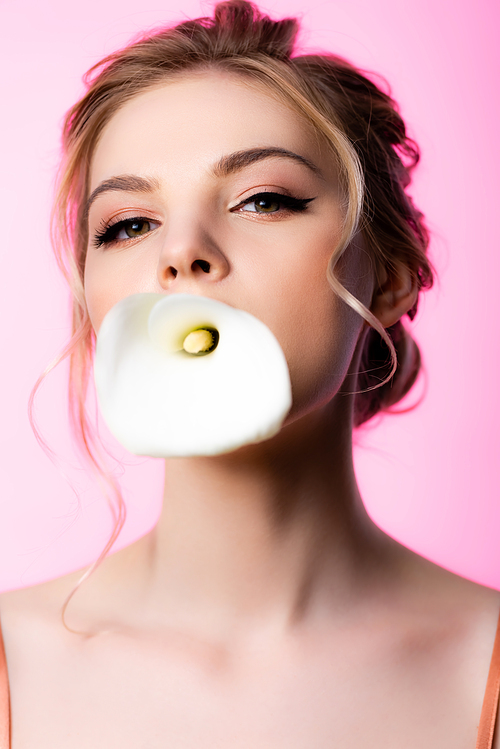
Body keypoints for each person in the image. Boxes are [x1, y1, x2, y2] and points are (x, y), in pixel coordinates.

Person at [0, 1, 499, 746]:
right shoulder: (15, 660)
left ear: (389, 277)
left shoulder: (481, 663)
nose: (183, 251)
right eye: (128, 224)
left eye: (263, 200)